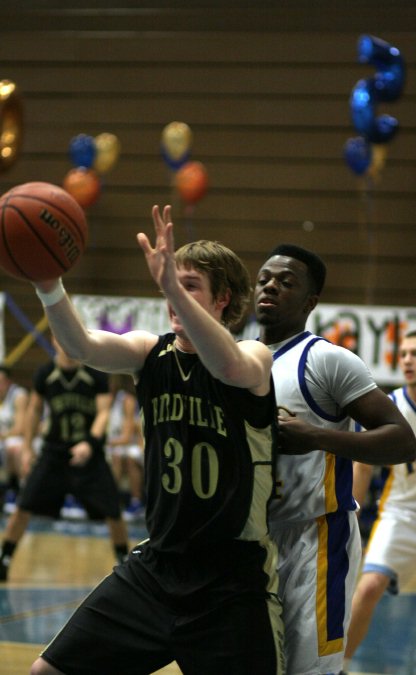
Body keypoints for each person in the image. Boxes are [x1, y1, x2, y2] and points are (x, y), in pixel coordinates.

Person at [28, 205, 284, 675]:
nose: (174, 297)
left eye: (190, 286)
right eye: (172, 283)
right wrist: (48, 284)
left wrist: (170, 286)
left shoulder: (253, 355)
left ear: (222, 299)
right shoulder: (150, 353)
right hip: (157, 569)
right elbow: (82, 345)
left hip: (230, 581)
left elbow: (228, 367)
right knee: (47, 672)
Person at [254, 243, 416, 675]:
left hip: (315, 539)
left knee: (309, 670)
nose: (270, 285)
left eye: (286, 282)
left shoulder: (325, 359)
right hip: (251, 540)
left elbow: (402, 442)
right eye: (264, 279)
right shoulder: (234, 359)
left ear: (310, 302)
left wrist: (317, 437)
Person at [343, 330, 416, 673]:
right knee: (370, 585)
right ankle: (339, 665)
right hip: (404, 515)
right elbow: (362, 467)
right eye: (402, 354)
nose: (406, 360)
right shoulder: (390, 407)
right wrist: (351, 518)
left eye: (415, 354)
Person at [0, 338, 129, 582]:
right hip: (54, 454)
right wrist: (27, 447)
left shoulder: (94, 373)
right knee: (23, 506)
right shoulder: (45, 373)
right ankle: (5, 558)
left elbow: (103, 413)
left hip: (89, 456)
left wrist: (90, 443)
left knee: (113, 511)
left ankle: (124, 561)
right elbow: (35, 410)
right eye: (62, 338)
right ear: (54, 342)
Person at [106, 373, 145, 521]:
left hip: (133, 444)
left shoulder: (126, 399)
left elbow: (127, 437)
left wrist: (103, 442)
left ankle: (134, 503)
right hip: (116, 443)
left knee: (124, 456)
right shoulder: (109, 399)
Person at [0, 365, 29, 514]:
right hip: (5, 439)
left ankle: (19, 491)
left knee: (13, 447)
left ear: (8, 382)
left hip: (25, 439)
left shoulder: (19, 395)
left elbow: (20, 429)